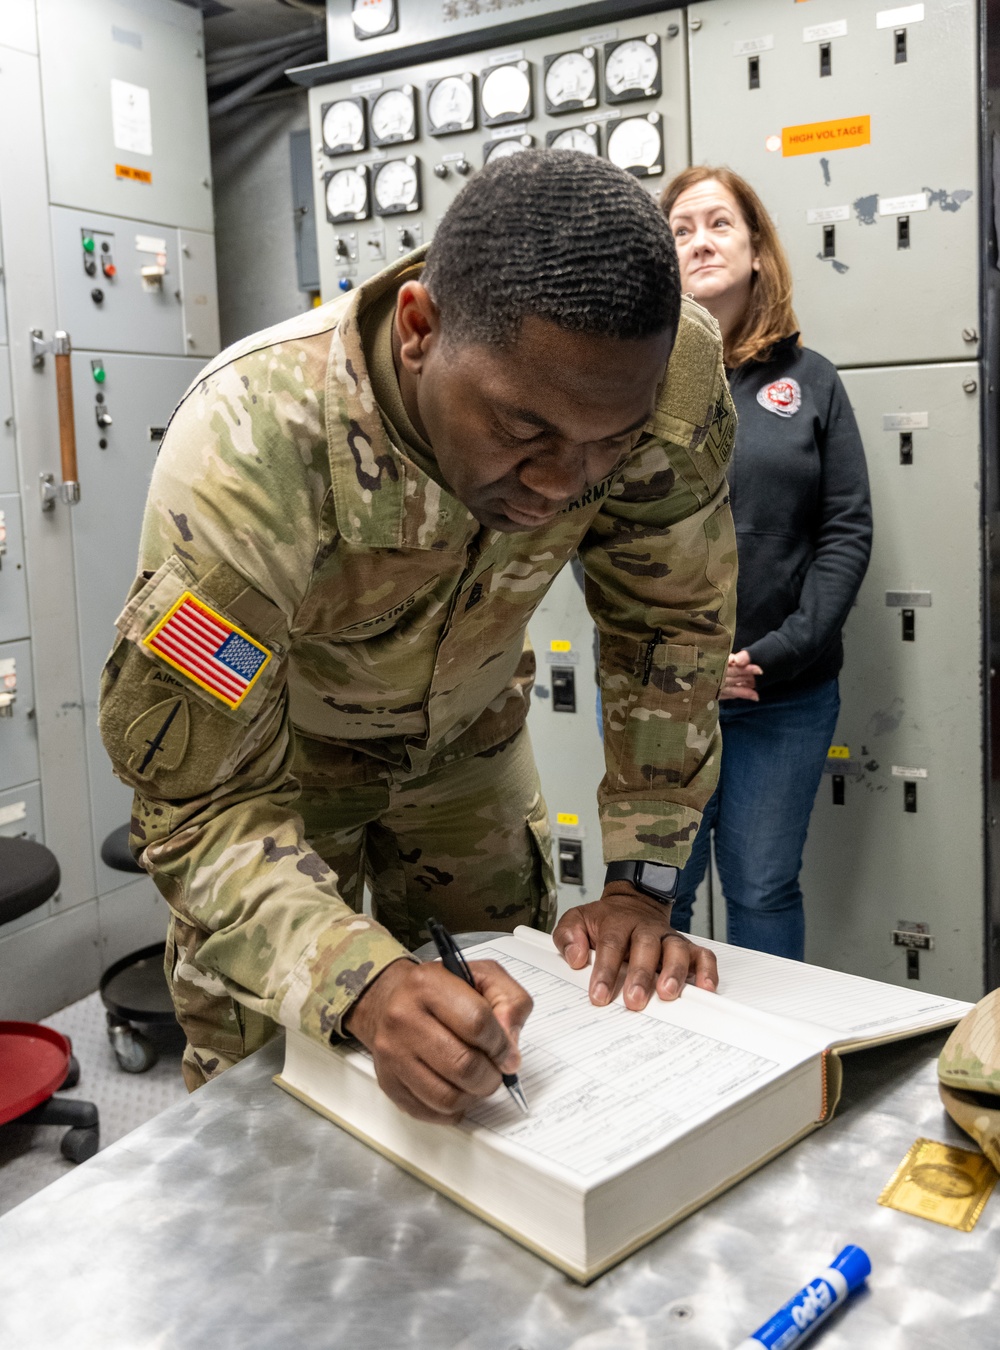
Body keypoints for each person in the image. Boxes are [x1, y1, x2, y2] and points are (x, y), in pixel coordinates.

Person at [99, 151, 737, 1121]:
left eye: (607, 444)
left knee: (496, 1042)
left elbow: (670, 626)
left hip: (466, 756)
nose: (566, 482)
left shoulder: (663, 375)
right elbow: (201, 810)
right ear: (418, 332)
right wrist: (358, 982)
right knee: (263, 1087)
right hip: (282, 776)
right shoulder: (250, 447)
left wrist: (642, 881)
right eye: (525, 431)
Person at [660, 165, 872, 960]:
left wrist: (773, 655)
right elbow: (599, 535)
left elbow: (846, 532)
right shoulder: (636, 385)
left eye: (718, 224)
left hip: (785, 694)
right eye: (680, 230)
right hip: (665, 698)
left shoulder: (810, 383)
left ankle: (778, 1068)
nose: (699, 242)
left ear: (756, 251)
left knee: (762, 887)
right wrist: (682, 662)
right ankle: (659, 1071)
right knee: (656, 892)